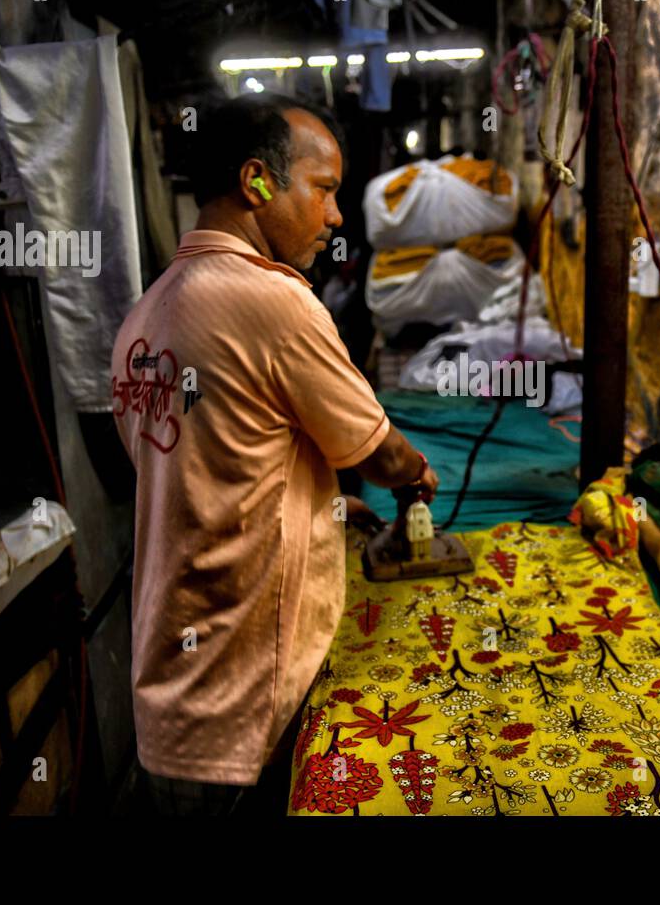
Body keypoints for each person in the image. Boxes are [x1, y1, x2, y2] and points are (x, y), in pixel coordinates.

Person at [111, 94, 439, 815]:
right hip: (241, 692)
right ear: (257, 182)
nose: (335, 217)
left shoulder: (144, 318)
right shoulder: (272, 301)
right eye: (322, 190)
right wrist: (416, 473)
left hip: (170, 692)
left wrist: (318, 505)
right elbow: (381, 452)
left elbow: (207, 479)